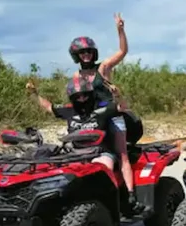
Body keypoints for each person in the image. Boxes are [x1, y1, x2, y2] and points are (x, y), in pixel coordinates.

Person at [26, 76, 146, 214]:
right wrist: (34, 95)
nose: (82, 99)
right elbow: (49, 107)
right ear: (73, 98)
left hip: (100, 152)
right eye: (78, 97)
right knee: (56, 174)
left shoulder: (102, 109)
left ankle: (126, 198)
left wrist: (117, 95)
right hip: (75, 154)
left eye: (84, 95)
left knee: (102, 168)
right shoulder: (69, 111)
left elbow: (122, 107)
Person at [68, 13, 139, 208]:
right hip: (90, 120)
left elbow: (122, 52)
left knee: (121, 153)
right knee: (83, 154)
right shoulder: (76, 75)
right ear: (77, 56)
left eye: (89, 52)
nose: (86, 55)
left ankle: (131, 195)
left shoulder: (103, 68)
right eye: (82, 53)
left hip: (111, 115)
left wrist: (120, 30)